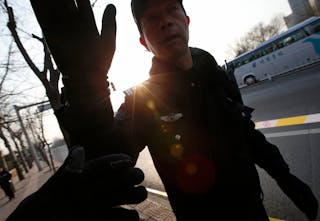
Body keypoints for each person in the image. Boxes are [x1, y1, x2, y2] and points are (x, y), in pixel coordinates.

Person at [7, 0, 319, 220]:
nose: (165, 20)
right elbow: (105, 158)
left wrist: (285, 176)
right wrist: (88, 91)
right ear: (143, 41)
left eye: (171, 9)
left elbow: (245, 131)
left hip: (254, 209)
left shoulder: (215, 74)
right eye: (153, 17)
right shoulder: (141, 100)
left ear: (186, 20)